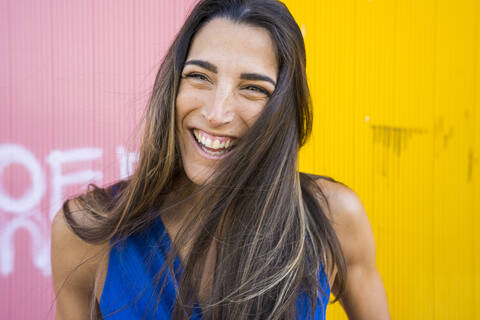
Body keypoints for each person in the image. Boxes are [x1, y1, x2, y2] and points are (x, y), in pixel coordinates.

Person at [51, 0, 390, 319]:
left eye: (253, 88)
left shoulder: (334, 219)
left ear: (283, 109)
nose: (216, 113)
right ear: (172, 85)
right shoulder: (87, 231)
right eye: (199, 76)